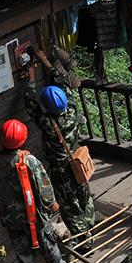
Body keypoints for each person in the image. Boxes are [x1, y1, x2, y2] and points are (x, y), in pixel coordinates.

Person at [0, 119, 68, 263]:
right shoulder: (29, 160)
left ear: (1, 139)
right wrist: (51, 204)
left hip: (10, 217)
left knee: (22, 251)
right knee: (48, 244)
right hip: (34, 215)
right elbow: (44, 186)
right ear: (23, 140)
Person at [24, 75, 95, 238]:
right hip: (77, 162)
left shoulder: (48, 124)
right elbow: (64, 81)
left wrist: (32, 78)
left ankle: (84, 240)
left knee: (70, 205)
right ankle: (90, 227)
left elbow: (30, 104)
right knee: (84, 196)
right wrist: (46, 62)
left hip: (62, 171)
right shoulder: (72, 108)